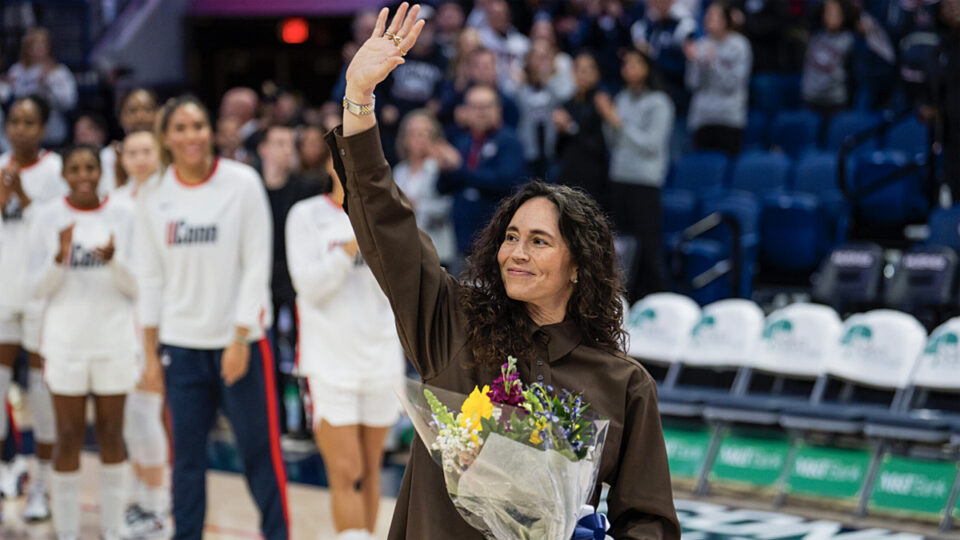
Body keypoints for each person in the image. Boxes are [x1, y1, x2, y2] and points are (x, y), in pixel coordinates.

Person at [330, 4, 681, 539]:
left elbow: (650, 522)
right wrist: (359, 99)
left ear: (579, 267)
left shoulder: (624, 385)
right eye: (511, 237)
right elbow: (389, 226)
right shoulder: (453, 323)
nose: (516, 252)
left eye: (539, 241)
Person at [133, 96, 288, 540]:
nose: (190, 135)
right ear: (166, 137)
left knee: (260, 454)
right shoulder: (152, 194)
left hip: (240, 343)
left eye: (198, 125)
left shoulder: (241, 183)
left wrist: (239, 337)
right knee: (185, 459)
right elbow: (149, 279)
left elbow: (257, 264)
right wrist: (149, 353)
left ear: (210, 131)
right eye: (179, 127)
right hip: (179, 348)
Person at [286, 171, 404, 540]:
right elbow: (309, 287)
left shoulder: (389, 213)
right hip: (327, 362)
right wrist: (350, 249)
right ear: (328, 163)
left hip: (380, 357)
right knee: (346, 471)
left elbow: (399, 286)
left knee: (372, 470)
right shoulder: (305, 216)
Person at [28, 144, 137, 540]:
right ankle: (69, 531)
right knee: (68, 435)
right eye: (75, 168)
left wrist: (115, 261)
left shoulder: (124, 214)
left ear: (100, 170)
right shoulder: (46, 217)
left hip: (114, 341)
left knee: (112, 433)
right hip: (65, 343)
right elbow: (34, 289)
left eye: (90, 167)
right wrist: (58, 257)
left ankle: (113, 527)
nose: (84, 175)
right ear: (64, 176)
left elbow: (139, 285)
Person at [0, 94, 63, 523]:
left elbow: (60, 229)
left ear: (42, 128)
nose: (21, 128)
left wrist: (22, 193)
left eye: (29, 121)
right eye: (14, 121)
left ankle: (43, 485)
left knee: (41, 398)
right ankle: (10, 468)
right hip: (3, 294)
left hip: (43, 297)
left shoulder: (59, 170)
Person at [116, 128, 172, 538]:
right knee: (130, 417)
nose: (139, 158)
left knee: (147, 412)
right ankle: (139, 498)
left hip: (161, 319)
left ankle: (158, 505)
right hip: (119, 320)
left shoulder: (169, 196)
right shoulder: (115, 202)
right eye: (131, 152)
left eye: (146, 151)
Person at [597, 48, 674, 301]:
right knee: (620, 244)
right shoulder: (621, 98)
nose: (628, 68)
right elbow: (613, 141)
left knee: (648, 245)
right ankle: (623, 297)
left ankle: (657, 299)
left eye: (635, 63)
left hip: (645, 180)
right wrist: (610, 123)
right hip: (619, 176)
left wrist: (618, 122)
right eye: (625, 64)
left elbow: (651, 144)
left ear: (648, 67)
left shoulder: (660, 102)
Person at [257, 123, 321, 414]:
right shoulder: (251, 188)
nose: (286, 150)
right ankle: (275, 417)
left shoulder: (306, 187)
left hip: (297, 280)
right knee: (266, 354)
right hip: (261, 280)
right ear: (263, 149)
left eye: (289, 145)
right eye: (279, 143)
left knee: (304, 350)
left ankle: (308, 420)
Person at [438, 84, 526, 258]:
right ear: (466, 111)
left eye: (487, 106)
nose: (481, 112)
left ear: (498, 109)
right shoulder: (461, 141)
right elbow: (442, 188)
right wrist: (444, 168)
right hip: (461, 238)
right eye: (475, 107)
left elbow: (505, 181)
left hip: (496, 237)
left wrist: (460, 170)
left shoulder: (509, 141)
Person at [685, 2, 753, 155]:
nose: (708, 19)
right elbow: (692, 83)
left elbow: (732, 84)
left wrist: (713, 63)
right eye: (707, 15)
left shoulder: (739, 45)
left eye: (714, 16)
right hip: (702, 118)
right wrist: (696, 62)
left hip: (728, 117)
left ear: (726, 19)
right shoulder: (701, 45)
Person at [393, 110, 459, 265]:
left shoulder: (440, 169)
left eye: (424, 133)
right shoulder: (399, 170)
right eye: (413, 133)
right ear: (404, 139)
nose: (418, 139)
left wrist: (416, 205)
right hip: (404, 247)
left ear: (434, 137)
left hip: (435, 248)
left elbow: (449, 205)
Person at [552, 51, 609, 205]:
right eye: (579, 69)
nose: (583, 74)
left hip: (594, 178)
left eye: (588, 70)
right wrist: (560, 130)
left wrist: (570, 127)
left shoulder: (602, 103)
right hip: (568, 175)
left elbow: (600, 147)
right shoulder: (566, 104)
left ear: (597, 73)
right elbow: (558, 150)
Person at [4, 28, 77, 147]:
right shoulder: (16, 71)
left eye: (42, 44)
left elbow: (69, 102)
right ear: (26, 47)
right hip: (23, 135)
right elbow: (7, 98)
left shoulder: (59, 72)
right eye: (33, 44)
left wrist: (48, 84)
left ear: (49, 47)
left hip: (53, 133)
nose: (37, 49)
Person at [515, 39, 572, 179]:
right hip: (525, 155)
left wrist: (549, 79)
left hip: (551, 154)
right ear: (528, 60)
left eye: (546, 57)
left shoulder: (559, 89)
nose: (541, 62)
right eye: (538, 57)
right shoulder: (517, 89)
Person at [630, 0, 697, 108]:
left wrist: (653, 55)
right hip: (648, 90)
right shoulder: (644, 25)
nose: (658, 4)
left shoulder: (684, 25)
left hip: (676, 91)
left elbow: (683, 64)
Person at [802, 0, 858, 116]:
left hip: (836, 102)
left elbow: (854, 74)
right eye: (828, 12)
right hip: (810, 98)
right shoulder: (816, 34)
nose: (831, 16)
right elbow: (810, 14)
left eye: (836, 13)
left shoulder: (849, 40)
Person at [100, 88, 160, 195]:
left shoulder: (172, 151)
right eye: (132, 111)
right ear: (121, 118)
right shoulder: (108, 157)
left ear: (158, 114)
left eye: (148, 109)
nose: (140, 116)